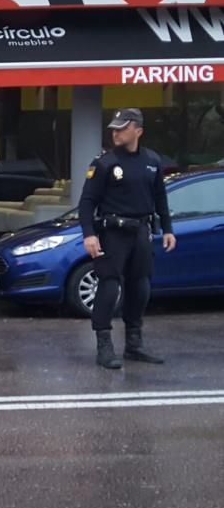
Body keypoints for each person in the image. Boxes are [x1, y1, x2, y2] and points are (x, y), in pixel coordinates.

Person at [78, 107, 176, 369]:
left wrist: (167, 228)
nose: (116, 132)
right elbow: (87, 202)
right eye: (114, 128)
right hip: (113, 233)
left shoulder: (152, 161)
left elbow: (160, 199)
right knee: (109, 287)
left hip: (141, 232)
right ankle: (104, 345)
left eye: (122, 128)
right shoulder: (105, 163)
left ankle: (134, 344)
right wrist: (88, 234)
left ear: (138, 131)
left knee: (140, 287)